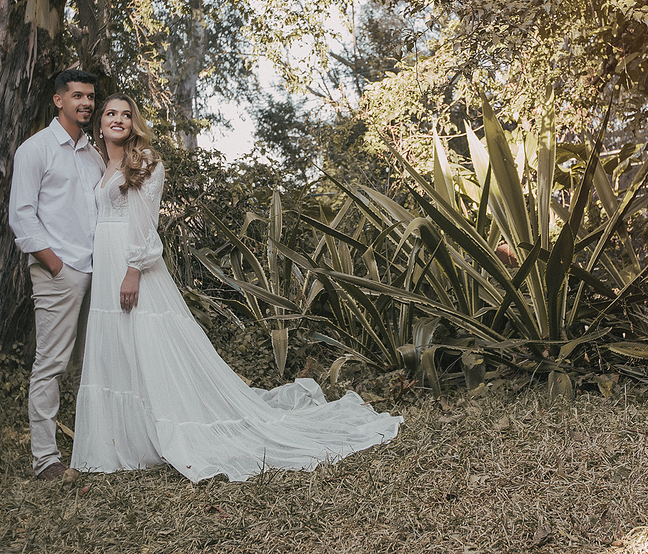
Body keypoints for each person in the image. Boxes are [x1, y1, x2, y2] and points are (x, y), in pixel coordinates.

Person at [70, 94, 402, 481]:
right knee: (119, 342)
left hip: (132, 264)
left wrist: (132, 270)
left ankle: (169, 425)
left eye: (126, 114)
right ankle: (125, 438)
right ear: (100, 123)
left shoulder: (144, 161)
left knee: (147, 339)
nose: (118, 119)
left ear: (134, 124)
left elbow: (145, 223)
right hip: (106, 263)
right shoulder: (103, 164)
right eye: (111, 113)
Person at [9, 70, 106, 481]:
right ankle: (46, 459)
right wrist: (55, 265)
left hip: (97, 273)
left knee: (91, 365)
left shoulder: (94, 155)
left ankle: (93, 449)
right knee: (50, 365)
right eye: (77, 95)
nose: (86, 103)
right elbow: (22, 216)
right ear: (58, 100)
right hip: (59, 273)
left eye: (90, 97)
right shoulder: (35, 150)